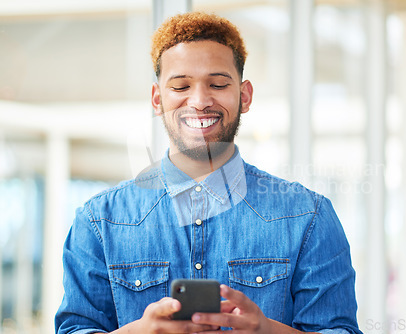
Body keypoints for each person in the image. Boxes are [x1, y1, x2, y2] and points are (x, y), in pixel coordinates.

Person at [55, 12, 362, 334]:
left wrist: (268, 331)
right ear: (158, 99)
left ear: (244, 96)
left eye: (217, 84)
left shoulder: (308, 216)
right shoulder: (98, 220)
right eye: (181, 86)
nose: (200, 101)